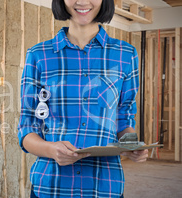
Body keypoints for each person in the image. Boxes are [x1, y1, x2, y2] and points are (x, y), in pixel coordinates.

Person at [17, 0, 148, 197]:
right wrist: (51, 149)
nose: (82, 1)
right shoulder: (38, 55)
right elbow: (27, 129)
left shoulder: (125, 55)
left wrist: (131, 145)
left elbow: (123, 118)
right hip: (51, 187)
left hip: (104, 186)